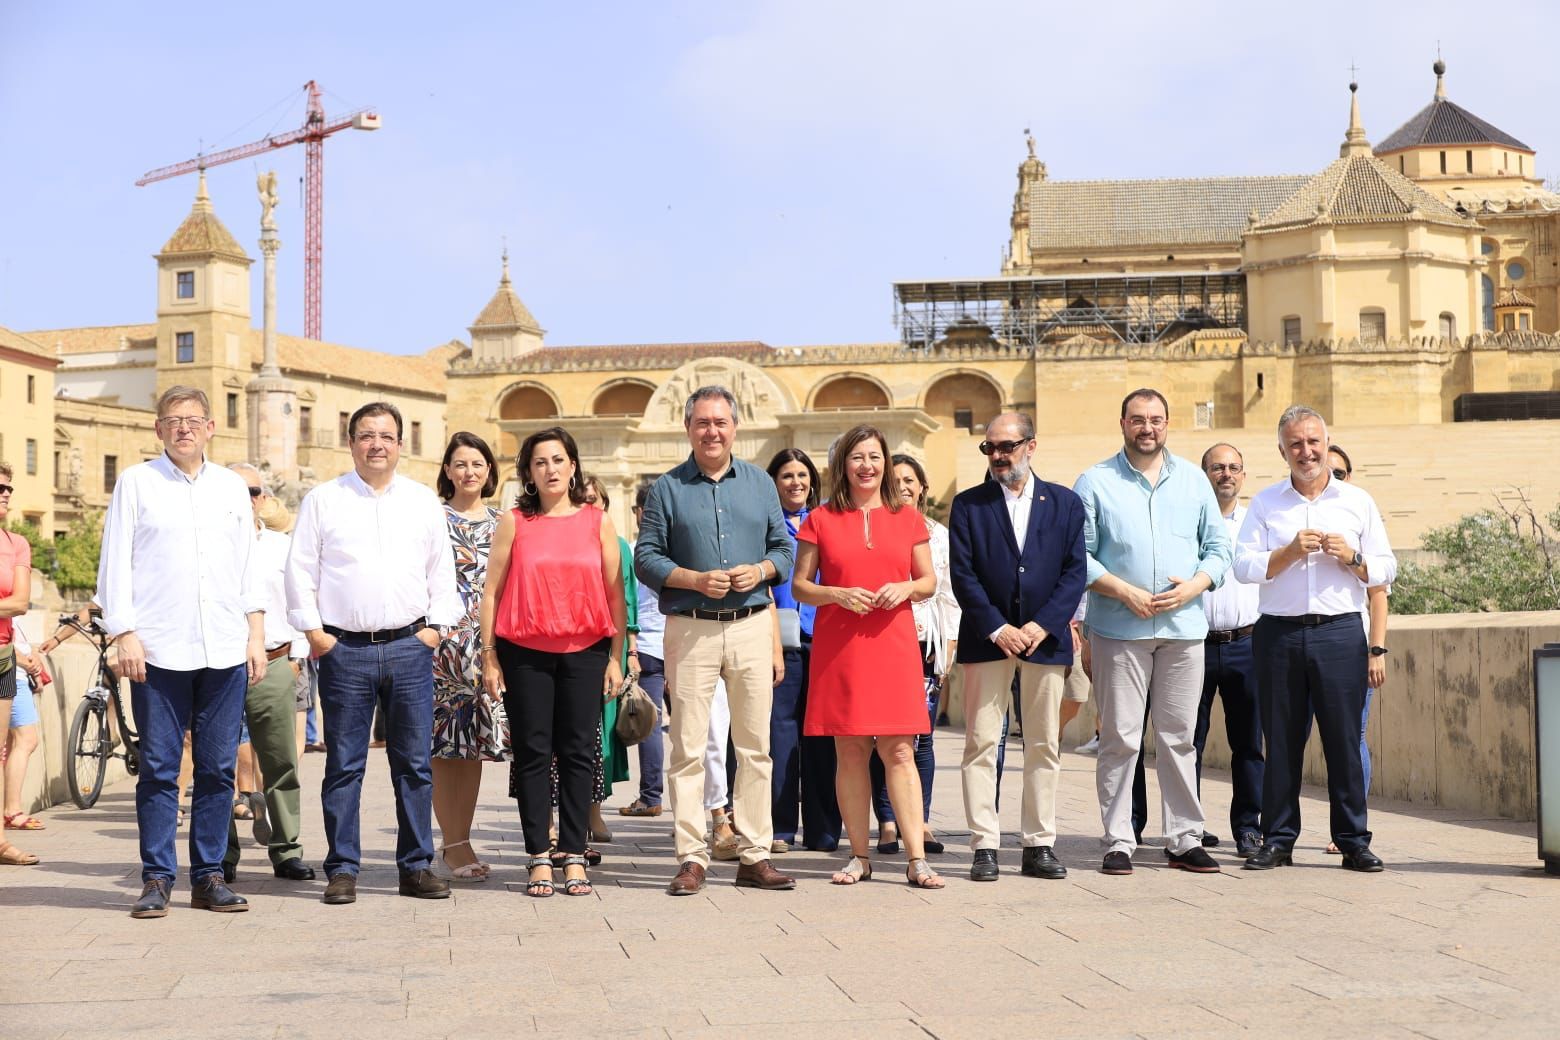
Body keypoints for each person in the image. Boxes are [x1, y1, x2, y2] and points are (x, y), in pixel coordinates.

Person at [97, 386, 266, 916]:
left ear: (211, 428)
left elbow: (248, 568)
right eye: (173, 420)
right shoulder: (136, 484)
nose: (184, 429)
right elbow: (115, 562)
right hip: (158, 649)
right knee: (160, 768)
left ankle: (210, 875)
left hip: (223, 646)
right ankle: (156, 877)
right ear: (159, 430)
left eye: (194, 420)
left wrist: (255, 634)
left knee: (217, 769)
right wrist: (123, 632)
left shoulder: (231, 490)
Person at [286, 401, 461, 905]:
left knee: (414, 764)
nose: (376, 445)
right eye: (366, 435)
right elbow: (300, 570)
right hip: (345, 651)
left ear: (401, 444)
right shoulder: (323, 500)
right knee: (343, 764)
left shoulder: (422, 501)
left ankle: (415, 867)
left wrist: (434, 630)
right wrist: (316, 636)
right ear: (352, 442)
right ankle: (342, 869)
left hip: (409, 646)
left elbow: (440, 571)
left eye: (386, 436)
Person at [634, 385, 796, 895]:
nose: (712, 431)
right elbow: (647, 557)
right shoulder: (666, 489)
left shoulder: (759, 485)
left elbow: (784, 550)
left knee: (755, 747)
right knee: (686, 748)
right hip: (692, 626)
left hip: (750, 624)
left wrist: (764, 569)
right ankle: (691, 856)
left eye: (720, 422)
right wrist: (692, 578)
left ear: (735, 427)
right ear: (688, 429)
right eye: (702, 423)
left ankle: (754, 854)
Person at [1074, 388, 1230, 876]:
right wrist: (1124, 591)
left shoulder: (1193, 481)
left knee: (1180, 737)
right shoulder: (1095, 482)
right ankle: (1119, 838)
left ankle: (1184, 836)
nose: (1148, 428)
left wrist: (1197, 586)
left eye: (1156, 419)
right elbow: (1079, 555)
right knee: (1120, 737)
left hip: (1183, 628)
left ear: (1168, 424)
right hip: (1120, 628)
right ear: (1122, 423)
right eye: (1138, 419)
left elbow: (1218, 549)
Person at [1236, 408, 1396, 872]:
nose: (1306, 452)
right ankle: (1279, 838)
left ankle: (1352, 840)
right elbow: (1243, 567)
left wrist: (1353, 556)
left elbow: (1387, 568)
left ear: (1327, 443)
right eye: (1295, 444)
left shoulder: (1358, 501)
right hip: (1279, 632)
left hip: (1340, 630)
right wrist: (1286, 553)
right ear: (1282, 451)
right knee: (1281, 739)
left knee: (1344, 740)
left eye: (1313, 442)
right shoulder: (1266, 504)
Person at [792, 425, 944, 889]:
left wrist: (905, 587)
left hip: (894, 644)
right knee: (850, 751)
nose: (867, 466)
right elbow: (801, 585)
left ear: (886, 462)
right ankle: (859, 855)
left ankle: (917, 858)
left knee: (900, 749)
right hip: (840, 648)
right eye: (857, 457)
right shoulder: (819, 518)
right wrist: (835, 593)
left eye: (874, 457)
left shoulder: (908, 519)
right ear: (843, 465)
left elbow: (929, 582)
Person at [479, 427, 625, 898]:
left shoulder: (596, 520)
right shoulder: (514, 521)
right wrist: (490, 657)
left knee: (581, 752)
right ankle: (539, 854)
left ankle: (576, 854)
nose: (551, 469)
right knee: (533, 753)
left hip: (586, 651)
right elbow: (491, 592)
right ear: (528, 472)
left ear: (573, 465)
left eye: (558, 460)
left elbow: (615, 592)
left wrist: (617, 657)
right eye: (540, 462)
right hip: (525, 654)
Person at [949, 413, 1086, 882]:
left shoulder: (1065, 504)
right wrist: (998, 628)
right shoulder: (969, 505)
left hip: (1044, 643)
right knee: (982, 743)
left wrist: (1041, 626)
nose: (998, 456)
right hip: (987, 641)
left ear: (1031, 445)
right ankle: (984, 844)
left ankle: (1038, 843)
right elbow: (962, 575)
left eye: (1007, 446)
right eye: (990, 448)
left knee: (1044, 743)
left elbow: (1074, 573)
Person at [222, 463, 316, 883]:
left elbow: (302, 601)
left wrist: (296, 656)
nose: (244, 499)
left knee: (281, 763)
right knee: (217, 765)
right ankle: (221, 855)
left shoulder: (282, 547)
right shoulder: (209, 547)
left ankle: (286, 849)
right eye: (234, 491)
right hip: (220, 667)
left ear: (262, 498)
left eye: (252, 491)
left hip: (277, 661)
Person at [869, 453, 959, 856]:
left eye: (911, 479)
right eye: (896, 479)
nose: (904, 486)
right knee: (879, 737)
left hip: (927, 647)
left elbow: (950, 595)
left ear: (923, 487)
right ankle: (888, 823)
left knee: (921, 738)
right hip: (884, 644)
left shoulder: (939, 534)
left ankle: (919, 821)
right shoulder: (875, 528)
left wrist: (949, 649)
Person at [431, 432, 509, 882]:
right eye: (460, 464)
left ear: (489, 471)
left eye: (477, 464)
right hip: (442, 646)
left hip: (487, 646)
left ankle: (459, 838)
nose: (469, 472)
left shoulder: (503, 522)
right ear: (447, 471)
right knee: (445, 745)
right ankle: (455, 844)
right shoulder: (433, 518)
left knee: (475, 745)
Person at [766, 447, 841, 853]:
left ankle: (824, 828)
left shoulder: (828, 521)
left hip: (824, 639)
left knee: (822, 736)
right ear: (774, 483)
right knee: (781, 737)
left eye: (802, 475)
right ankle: (780, 827)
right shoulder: (765, 526)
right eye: (786, 476)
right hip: (779, 643)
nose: (796, 483)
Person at [1192, 444, 1265, 858]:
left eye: (1234, 467)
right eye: (1217, 467)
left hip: (1247, 642)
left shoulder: (1257, 523)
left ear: (1243, 475)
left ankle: (1248, 827)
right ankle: (1189, 826)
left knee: (1249, 744)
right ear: (1205, 474)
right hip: (1195, 645)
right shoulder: (1187, 521)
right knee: (1189, 742)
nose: (1226, 474)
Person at [1322, 444, 1390, 855]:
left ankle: (1349, 824)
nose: (1333, 477)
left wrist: (1376, 651)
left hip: (1351, 648)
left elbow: (1378, 593)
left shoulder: (1359, 515)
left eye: (1341, 472)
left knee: (1351, 738)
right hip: (1298, 648)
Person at [579, 474, 634, 844]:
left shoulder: (618, 545)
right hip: (572, 647)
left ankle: (594, 812)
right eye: (582, 498)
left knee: (603, 735)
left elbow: (625, 597)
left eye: (595, 498)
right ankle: (569, 814)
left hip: (608, 649)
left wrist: (628, 651)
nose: (589, 504)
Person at [1, 464, 42, 862]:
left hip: (2, 654)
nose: (6, 493)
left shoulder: (17, 543)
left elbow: (19, 602)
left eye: (9, 487)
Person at [620, 483, 668, 818]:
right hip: (680, 644)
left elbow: (626, 607)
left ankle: (651, 796)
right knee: (694, 731)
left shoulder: (634, 552)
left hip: (647, 647)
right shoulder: (678, 553)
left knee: (650, 723)